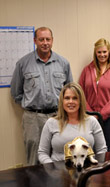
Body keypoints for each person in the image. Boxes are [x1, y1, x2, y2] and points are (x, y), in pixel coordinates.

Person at [10, 27, 73, 165]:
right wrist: (31, 106)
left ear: (52, 40)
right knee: (33, 158)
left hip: (58, 116)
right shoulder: (23, 64)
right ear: (35, 41)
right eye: (41, 39)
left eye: (48, 39)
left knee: (59, 155)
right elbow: (16, 93)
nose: (45, 43)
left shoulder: (63, 63)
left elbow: (70, 91)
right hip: (33, 119)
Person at [38, 82, 107, 164]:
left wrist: (96, 170)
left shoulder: (92, 121)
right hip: (58, 172)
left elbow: (102, 150)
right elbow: (42, 153)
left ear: (80, 101)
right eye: (67, 98)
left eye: (75, 98)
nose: (71, 101)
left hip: (87, 171)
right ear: (62, 101)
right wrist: (52, 169)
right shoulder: (51, 123)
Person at [79, 38, 110, 151]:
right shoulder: (87, 70)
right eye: (99, 52)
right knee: (92, 149)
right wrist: (92, 113)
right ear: (95, 53)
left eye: (104, 52)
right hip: (90, 117)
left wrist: (103, 114)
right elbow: (80, 93)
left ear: (109, 52)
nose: (102, 55)